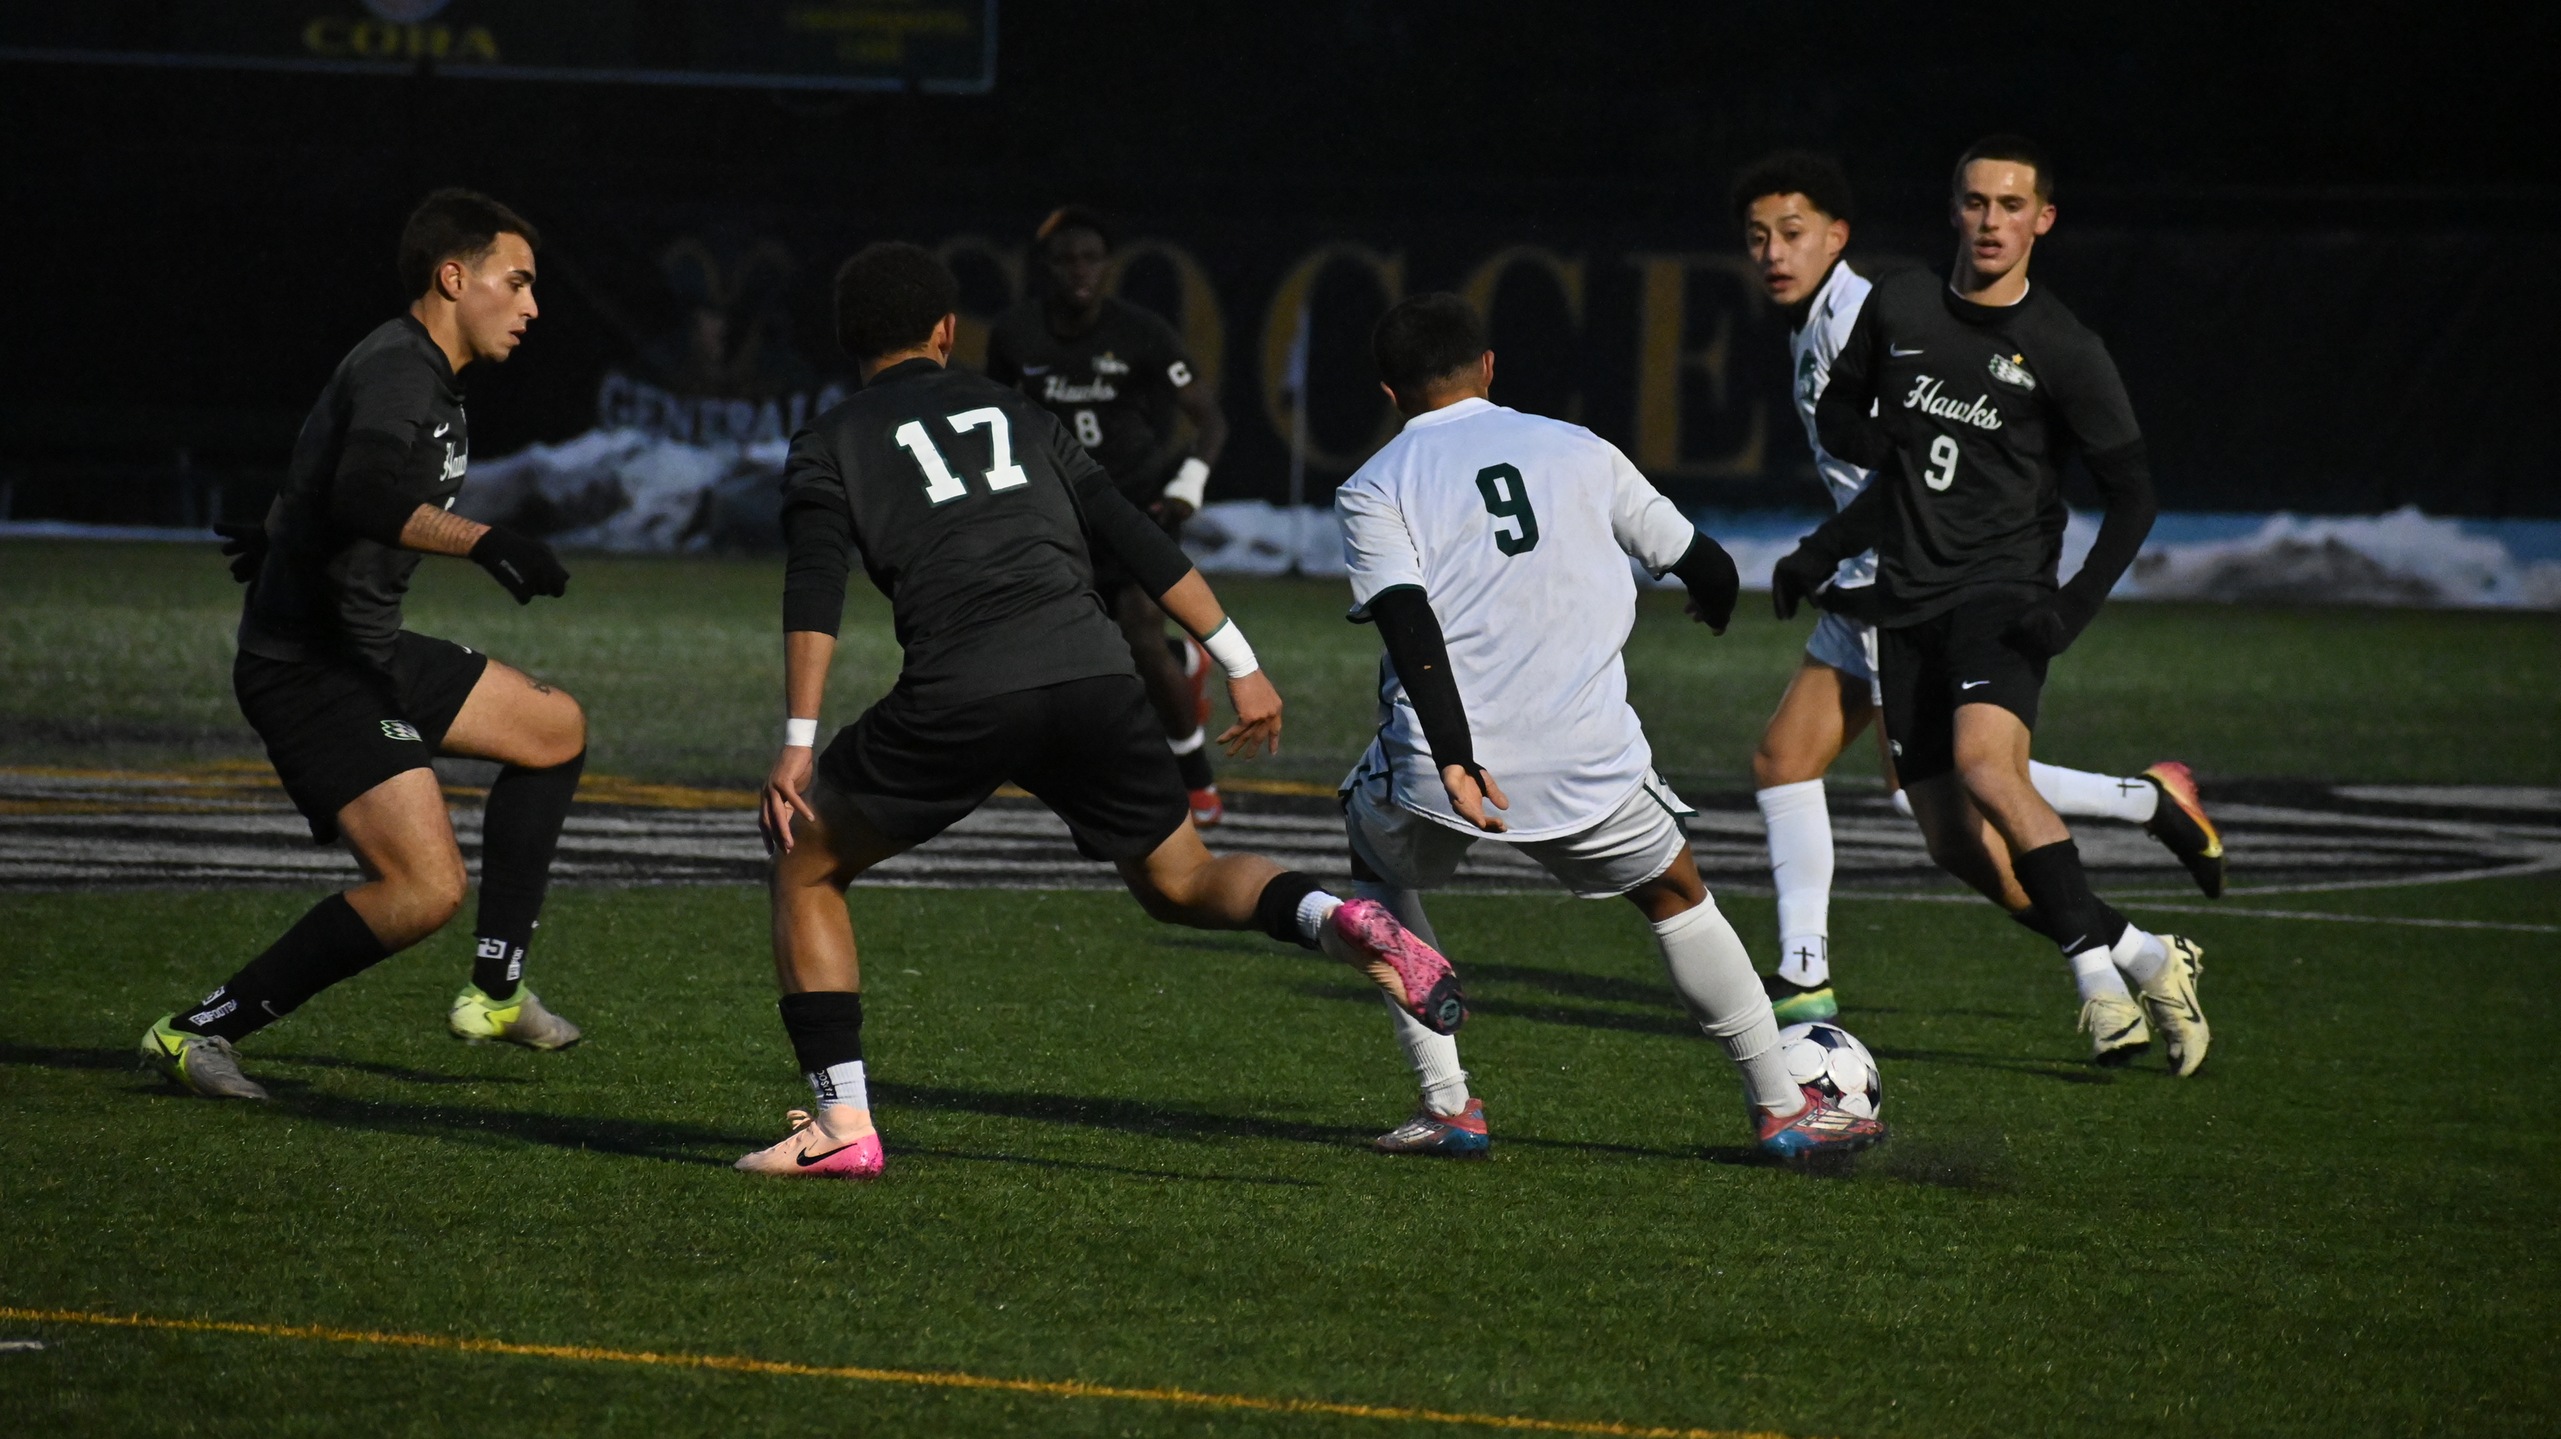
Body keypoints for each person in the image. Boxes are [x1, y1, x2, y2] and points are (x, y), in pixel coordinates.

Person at [742, 243, 1464, 1180]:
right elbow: (1132, 536)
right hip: (1096, 674)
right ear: (945, 333)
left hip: (964, 688)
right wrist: (1240, 662)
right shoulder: (1022, 415)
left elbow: (815, 586)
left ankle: (844, 1126)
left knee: (805, 863)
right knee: (1179, 878)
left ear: (847, 341)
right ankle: (1334, 914)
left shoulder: (829, 439)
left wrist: (797, 742)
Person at [1334, 293, 1886, 1161]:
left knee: (1372, 879)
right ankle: (1782, 1107)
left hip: (1441, 765)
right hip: (1584, 753)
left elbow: (1407, 619)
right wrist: (1709, 598)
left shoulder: (1373, 485)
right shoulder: (1576, 446)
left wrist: (1455, 757)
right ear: (1488, 367)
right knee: (1674, 895)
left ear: (1389, 394)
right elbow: (1699, 558)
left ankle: (1449, 1102)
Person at [1733, 151, 2226, 1026]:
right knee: (1889, 797)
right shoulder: (1855, 314)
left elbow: (1935, 468)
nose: (1773, 251)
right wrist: (1822, 552)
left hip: (1918, 581)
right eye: (1758, 236)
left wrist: (1849, 553)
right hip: (1880, 578)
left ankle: (1812, 967)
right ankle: (2137, 906)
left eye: (1792, 233)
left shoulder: (1867, 309)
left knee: (1963, 779)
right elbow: (1891, 457)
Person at [142, 189, 587, 1100]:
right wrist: (490, 541)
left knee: (555, 730)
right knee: (421, 890)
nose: (533, 306)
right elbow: (363, 491)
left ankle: (496, 991)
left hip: (366, 648)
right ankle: (197, 1031)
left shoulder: (419, 371)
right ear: (452, 277)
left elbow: (335, 472)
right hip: (309, 669)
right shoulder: (403, 370)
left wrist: (280, 532)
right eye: (518, 281)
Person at [985, 207, 1234, 825]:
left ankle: (1195, 778)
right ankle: (1180, 671)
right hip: (1058, 508)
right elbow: (996, 422)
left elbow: (1210, 420)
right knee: (1074, 643)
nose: (1079, 270)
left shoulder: (1142, 333)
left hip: (1137, 504)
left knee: (1141, 633)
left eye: (1090, 258)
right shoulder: (1016, 334)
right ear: (1046, 267)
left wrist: (1189, 485)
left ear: (1106, 266)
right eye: (1066, 258)